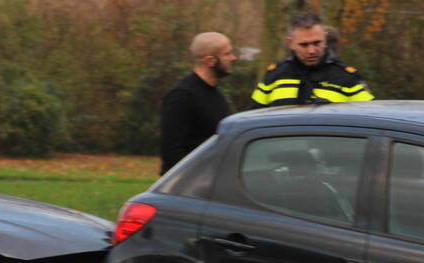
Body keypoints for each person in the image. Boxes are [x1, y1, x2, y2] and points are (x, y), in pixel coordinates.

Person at [250, 13, 373, 108]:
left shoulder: (346, 78)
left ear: (325, 39)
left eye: (317, 43)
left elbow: (370, 118)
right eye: (304, 45)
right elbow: (252, 118)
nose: (311, 51)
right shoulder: (274, 77)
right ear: (290, 43)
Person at [159, 31, 238, 174]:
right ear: (209, 61)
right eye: (227, 54)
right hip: (186, 186)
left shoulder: (217, 94)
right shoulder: (181, 96)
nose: (234, 58)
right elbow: (171, 150)